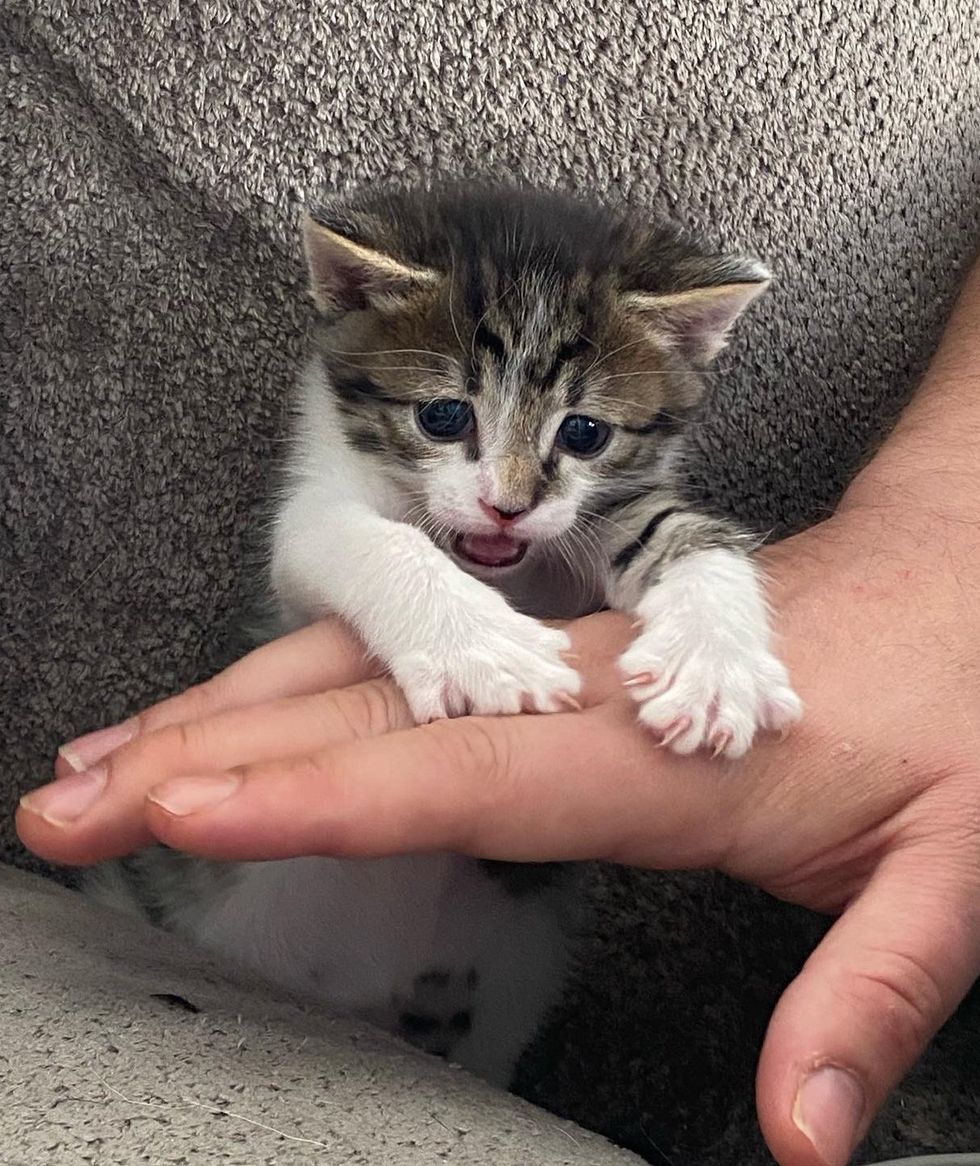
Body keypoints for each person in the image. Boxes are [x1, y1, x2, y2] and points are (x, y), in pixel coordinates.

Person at [18, 255, 980, 1166]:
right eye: (447, 417)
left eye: (582, 435)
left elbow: (648, 532)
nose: (509, 499)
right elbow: (319, 540)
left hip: (474, 972)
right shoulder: (358, 398)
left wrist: (721, 618)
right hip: (210, 939)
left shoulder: (605, 450)